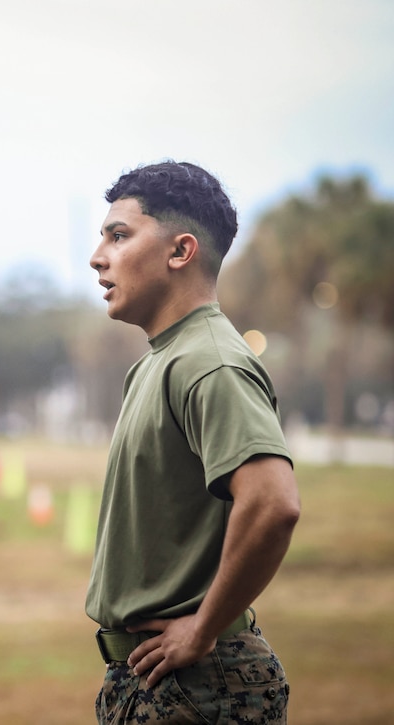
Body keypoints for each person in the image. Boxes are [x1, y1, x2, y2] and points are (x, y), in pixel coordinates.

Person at [85, 161, 301, 723]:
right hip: (156, 678)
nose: (98, 256)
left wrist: (202, 629)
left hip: (198, 686)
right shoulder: (162, 361)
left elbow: (273, 503)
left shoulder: (210, 362)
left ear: (181, 252)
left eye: (119, 235)